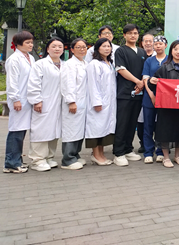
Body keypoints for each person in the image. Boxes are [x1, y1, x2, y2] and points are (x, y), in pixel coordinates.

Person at [27, 37, 64, 172]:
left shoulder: (64, 65)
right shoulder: (40, 64)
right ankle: (37, 160)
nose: (57, 49)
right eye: (54, 46)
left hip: (58, 103)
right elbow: (34, 83)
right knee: (41, 130)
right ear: (48, 49)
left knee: (54, 130)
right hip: (44, 102)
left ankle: (49, 156)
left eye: (60, 46)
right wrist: (36, 100)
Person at [149, 40, 179, 168]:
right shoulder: (164, 67)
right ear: (171, 51)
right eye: (175, 49)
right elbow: (153, 84)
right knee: (165, 131)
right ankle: (166, 157)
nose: (178, 52)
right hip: (166, 106)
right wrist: (152, 81)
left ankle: (177, 156)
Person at [113, 24, 147, 167]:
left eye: (135, 33)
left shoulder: (142, 51)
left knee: (132, 122)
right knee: (122, 122)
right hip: (125, 93)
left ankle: (128, 149)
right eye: (130, 33)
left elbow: (145, 70)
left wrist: (141, 84)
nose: (133, 35)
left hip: (139, 93)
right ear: (124, 35)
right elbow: (121, 69)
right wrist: (137, 82)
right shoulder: (121, 51)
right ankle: (118, 152)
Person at [3, 31, 36, 174]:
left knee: (22, 131)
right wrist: (15, 99)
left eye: (31, 42)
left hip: (27, 99)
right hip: (19, 100)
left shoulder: (30, 58)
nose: (30, 45)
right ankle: (11, 163)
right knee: (16, 131)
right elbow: (12, 82)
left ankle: (17, 160)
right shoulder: (14, 59)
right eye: (27, 42)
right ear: (18, 44)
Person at [85, 38, 116, 166]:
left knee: (104, 129)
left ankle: (101, 154)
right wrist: (96, 102)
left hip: (109, 102)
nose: (107, 49)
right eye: (104, 46)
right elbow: (93, 85)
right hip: (99, 102)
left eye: (108, 46)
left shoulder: (109, 63)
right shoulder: (94, 64)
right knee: (96, 129)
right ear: (97, 48)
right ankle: (96, 155)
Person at [59, 38, 88, 170]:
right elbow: (68, 84)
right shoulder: (69, 64)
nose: (82, 49)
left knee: (79, 130)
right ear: (72, 50)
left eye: (84, 47)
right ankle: (68, 159)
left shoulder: (84, 63)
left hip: (83, 102)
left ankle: (75, 154)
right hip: (73, 102)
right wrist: (71, 101)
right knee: (71, 130)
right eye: (78, 47)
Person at [141, 36, 167, 164]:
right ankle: (148, 152)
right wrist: (152, 95)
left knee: (162, 126)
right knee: (148, 125)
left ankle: (161, 151)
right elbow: (145, 78)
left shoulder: (169, 60)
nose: (158, 46)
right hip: (149, 98)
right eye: (156, 44)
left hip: (166, 99)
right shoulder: (149, 61)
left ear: (165, 46)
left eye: (160, 44)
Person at [137, 33, 155, 153]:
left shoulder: (158, 57)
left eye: (150, 41)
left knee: (155, 120)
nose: (148, 43)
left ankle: (158, 144)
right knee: (141, 120)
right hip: (139, 91)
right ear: (142, 43)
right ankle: (143, 143)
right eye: (145, 41)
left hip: (153, 93)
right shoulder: (138, 55)